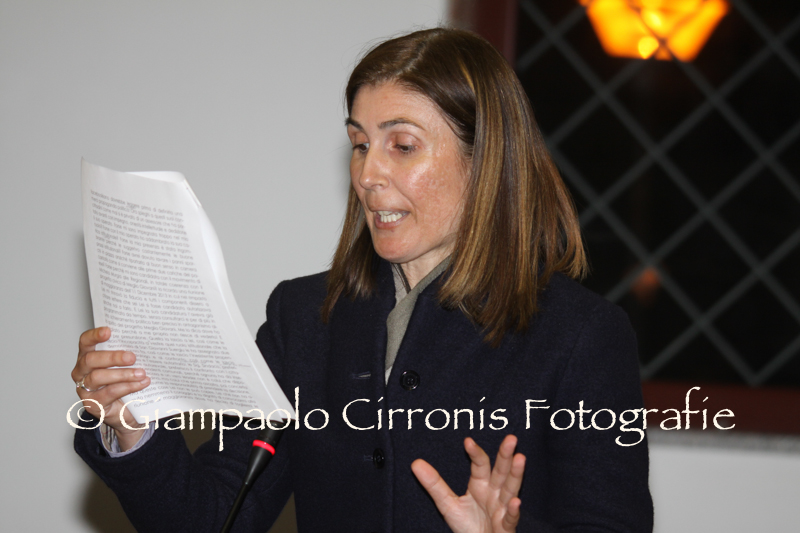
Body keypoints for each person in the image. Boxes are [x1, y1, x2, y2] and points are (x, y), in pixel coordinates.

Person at [72, 28, 653, 532]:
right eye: (359, 144)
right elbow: (213, 516)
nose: (368, 173)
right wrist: (130, 426)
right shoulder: (304, 317)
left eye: (402, 146)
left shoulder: (581, 335)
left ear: (485, 160)